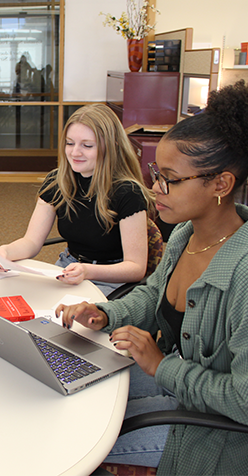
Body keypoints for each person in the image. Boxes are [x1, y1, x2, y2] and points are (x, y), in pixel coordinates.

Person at [57, 80, 248, 475]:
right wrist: (105, 313)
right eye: (155, 174)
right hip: (180, 380)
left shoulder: (242, 272)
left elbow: (243, 399)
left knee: (78, 439)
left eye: (170, 180)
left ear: (221, 184)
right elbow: (152, 294)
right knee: (69, 388)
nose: (154, 189)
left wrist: (162, 367)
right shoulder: (185, 233)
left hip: (219, 433)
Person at [0, 103, 153, 296]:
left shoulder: (128, 192)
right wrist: (5, 252)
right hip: (69, 268)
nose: (75, 153)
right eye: (70, 143)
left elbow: (136, 268)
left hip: (110, 279)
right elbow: (31, 241)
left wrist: (87, 271)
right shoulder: (57, 181)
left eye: (87, 145)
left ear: (111, 146)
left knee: (69, 321)